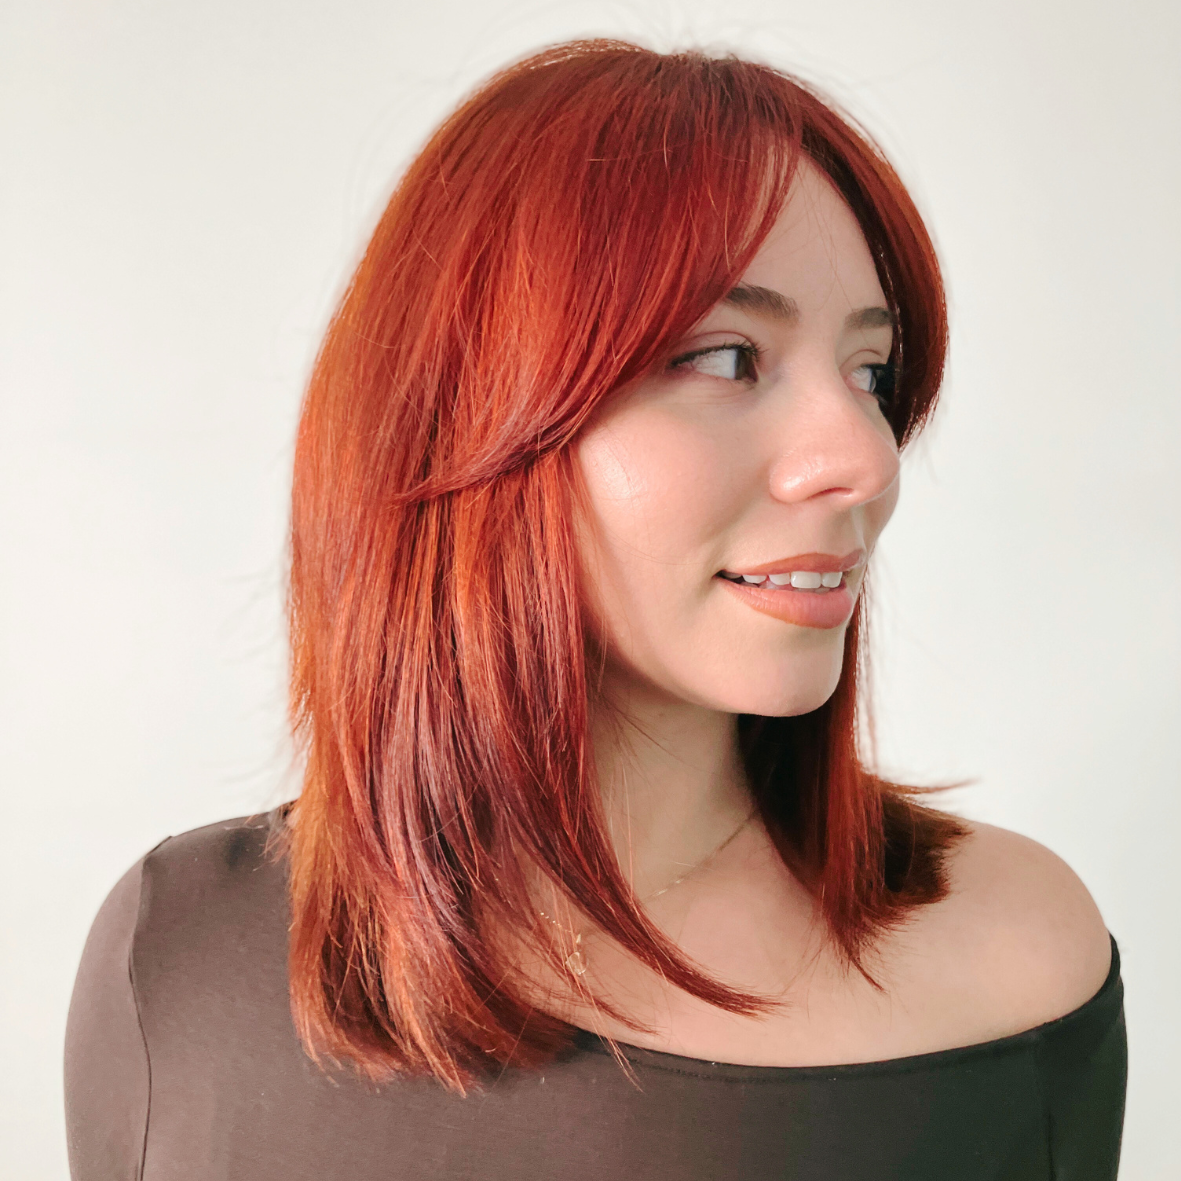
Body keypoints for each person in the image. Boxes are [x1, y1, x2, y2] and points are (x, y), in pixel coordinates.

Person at [63, 39, 1126, 1180]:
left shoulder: (1012, 966)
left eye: (871, 372)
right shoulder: (180, 967)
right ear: (472, 413)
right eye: (728, 357)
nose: (864, 458)